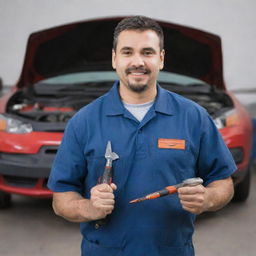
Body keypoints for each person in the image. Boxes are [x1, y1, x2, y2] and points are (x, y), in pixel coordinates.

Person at [48, 16, 236, 256]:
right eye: (128, 52)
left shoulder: (194, 117)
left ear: (161, 59)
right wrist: (88, 208)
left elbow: (224, 182)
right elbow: (61, 198)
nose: (138, 62)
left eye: (147, 52)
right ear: (115, 59)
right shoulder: (84, 122)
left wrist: (208, 198)